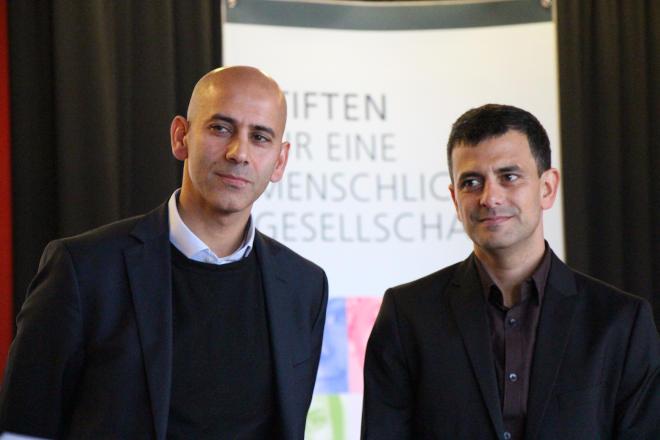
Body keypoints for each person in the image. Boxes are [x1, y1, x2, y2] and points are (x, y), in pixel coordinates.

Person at [0, 66, 328, 439]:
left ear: (280, 161)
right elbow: (23, 430)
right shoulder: (83, 270)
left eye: (260, 137)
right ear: (180, 137)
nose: (239, 153)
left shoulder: (304, 287)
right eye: (221, 128)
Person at [361, 104, 660, 439]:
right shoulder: (408, 316)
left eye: (509, 177)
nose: (490, 197)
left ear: (547, 188)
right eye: (471, 182)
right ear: (455, 199)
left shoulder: (620, 322)